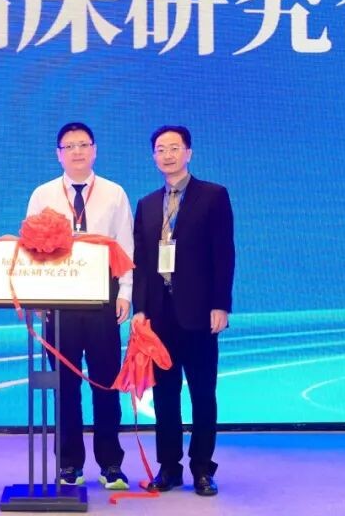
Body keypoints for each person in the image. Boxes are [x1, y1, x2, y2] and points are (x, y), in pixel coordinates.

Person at [25, 122, 135, 490]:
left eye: (83, 145)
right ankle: (69, 464)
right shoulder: (42, 194)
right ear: (58, 154)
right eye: (69, 146)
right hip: (58, 303)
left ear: (95, 150)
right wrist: (36, 296)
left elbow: (126, 246)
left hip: (103, 300)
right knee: (65, 386)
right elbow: (30, 249)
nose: (77, 152)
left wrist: (125, 293)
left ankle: (111, 464)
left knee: (106, 383)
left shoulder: (114, 193)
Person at [131, 125, 235, 497]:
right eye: (160, 149)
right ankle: (169, 468)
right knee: (165, 396)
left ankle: (203, 468)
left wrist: (221, 304)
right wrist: (140, 309)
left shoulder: (213, 195)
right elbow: (142, 263)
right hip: (160, 316)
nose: (168, 155)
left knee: (203, 393)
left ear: (188, 153)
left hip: (201, 313)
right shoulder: (146, 204)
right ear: (153, 157)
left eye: (174, 148)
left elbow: (224, 253)